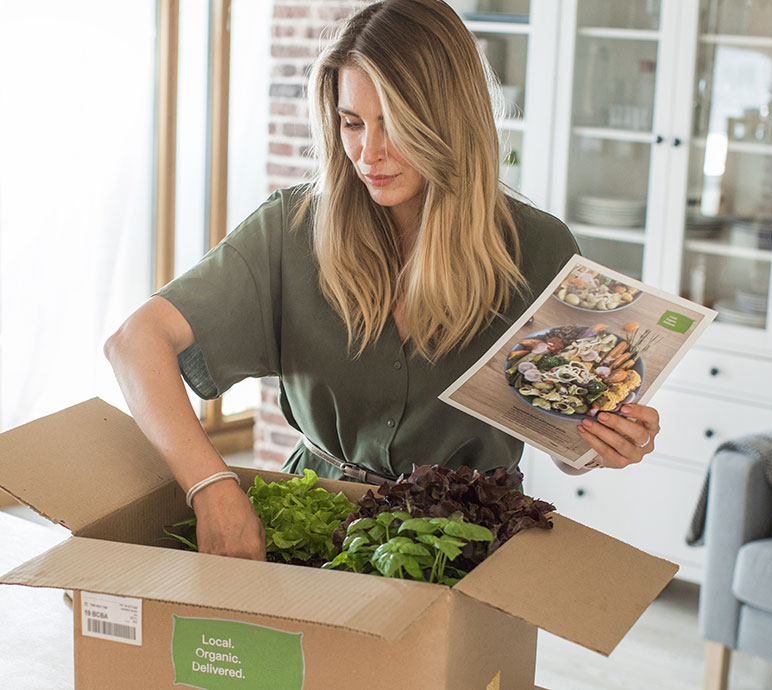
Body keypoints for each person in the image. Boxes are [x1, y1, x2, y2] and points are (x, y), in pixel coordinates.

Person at [104, 0, 661, 562]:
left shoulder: (538, 249)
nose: (368, 154)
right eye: (352, 123)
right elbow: (134, 344)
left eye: (393, 124)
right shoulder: (290, 229)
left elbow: (562, 435)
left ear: (448, 121)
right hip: (316, 523)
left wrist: (598, 446)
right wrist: (211, 486)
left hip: (467, 545)